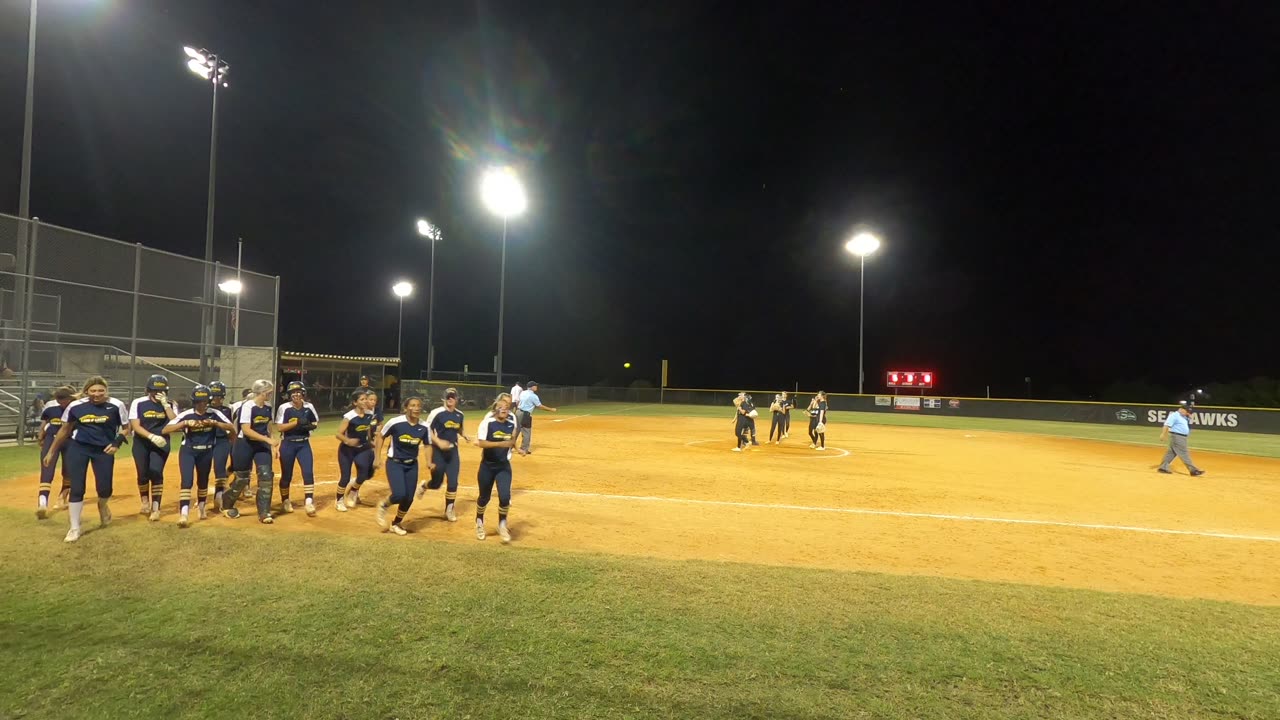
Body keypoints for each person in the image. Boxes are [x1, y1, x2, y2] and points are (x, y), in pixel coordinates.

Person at [43, 376, 130, 543]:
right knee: (77, 487)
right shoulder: (75, 406)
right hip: (79, 448)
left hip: (104, 450)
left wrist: (116, 443)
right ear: (86, 391)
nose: (97, 394)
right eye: (93, 391)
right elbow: (64, 430)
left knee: (105, 488)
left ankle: (103, 505)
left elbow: (126, 428)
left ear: (106, 391)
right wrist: (51, 451)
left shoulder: (116, 405)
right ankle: (74, 528)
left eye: (100, 391)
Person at [163, 385, 234, 527]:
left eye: (204, 402)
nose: (202, 405)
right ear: (194, 402)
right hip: (188, 450)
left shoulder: (213, 413)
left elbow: (231, 427)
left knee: (203, 481)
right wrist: (184, 423)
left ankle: (202, 507)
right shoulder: (187, 414)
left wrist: (215, 423)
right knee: (187, 481)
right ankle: (184, 514)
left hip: (206, 451)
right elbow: (166, 429)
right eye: (198, 402)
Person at [372, 396, 431, 535]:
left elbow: (428, 445)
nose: (416, 408)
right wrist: (377, 457)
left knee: (409, 498)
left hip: (412, 464)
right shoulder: (395, 422)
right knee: (399, 494)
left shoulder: (424, 426)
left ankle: (396, 523)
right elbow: (381, 436)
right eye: (413, 405)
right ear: (406, 408)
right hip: (395, 463)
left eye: (418, 405)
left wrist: (429, 461)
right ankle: (384, 505)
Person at [224, 379, 278, 522]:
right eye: (269, 392)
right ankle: (226, 504)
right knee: (242, 478)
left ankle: (264, 512)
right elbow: (246, 430)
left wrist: (272, 444)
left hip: (261, 446)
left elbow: (268, 427)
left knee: (266, 476)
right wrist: (267, 440)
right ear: (262, 393)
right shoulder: (248, 406)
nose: (270, 395)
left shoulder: (267, 406)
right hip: (245, 444)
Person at [475, 397, 525, 543]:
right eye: (501, 406)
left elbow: (512, 439)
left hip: (503, 466)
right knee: (484, 498)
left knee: (504, 498)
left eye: (506, 406)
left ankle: (502, 524)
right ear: (495, 409)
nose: (504, 408)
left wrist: (517, 448)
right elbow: (482, 443)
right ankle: (479, 522)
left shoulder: (511, 424)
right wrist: (502, 444)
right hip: (487, 466)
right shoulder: (487, 423)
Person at [416, 387, 471, 521]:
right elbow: (427, 430)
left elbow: (459, 429)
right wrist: (438, 441)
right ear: (443, 399)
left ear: (457, 399)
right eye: (448, 397)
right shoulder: (436, 413)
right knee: (437, 483)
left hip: (453, 452)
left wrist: (464, 435)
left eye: (453, 396)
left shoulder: (460, 415)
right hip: (438, 452)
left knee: (453, 482)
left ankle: (449, 509)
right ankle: (425, 485)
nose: (450, 399)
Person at [129, 374, 178, 521]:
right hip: (142, 442)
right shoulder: (138, 403)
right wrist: (151, 436)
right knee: (143, 473)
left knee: (156, 472)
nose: (157, 394)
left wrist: (165, 405)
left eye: (161, 391)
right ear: (147, 390)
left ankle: (156, 507)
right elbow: (135, 426)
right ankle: (145, 501)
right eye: (154, 391)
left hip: (162, 443)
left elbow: (175, 422)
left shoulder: (170, 403)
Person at [275, 381, 321, 516]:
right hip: (288, 443)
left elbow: (315, 422)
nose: (296, 394)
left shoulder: (308, 406)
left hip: (304, 443)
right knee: (286, 474)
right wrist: (296, 423)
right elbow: (280, 427)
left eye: (298, 392)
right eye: (293, 392)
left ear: (303, 393)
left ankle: (308, 501)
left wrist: (309, 426)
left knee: (307, 472)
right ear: (289, 395)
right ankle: (285, 500)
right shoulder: (284, 408)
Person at [35, 385, 76, 519]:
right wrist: (41, 436)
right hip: (51, 439)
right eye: (59, 401)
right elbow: (45, 422)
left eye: (65, 401)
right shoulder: (51, 408)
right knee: (47, 469)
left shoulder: (77, 408)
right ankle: (42, 503)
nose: (62, 404)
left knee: (68, 470)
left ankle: (62, 497)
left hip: (71, 441)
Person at [334, 389, 378, 512]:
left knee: (363, 474)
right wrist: (348, 440)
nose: (365, 401)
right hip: (347, 450)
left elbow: (368, 430)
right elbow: (338, 434)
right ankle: (339, 500)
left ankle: (353, 491)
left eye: (366, 399)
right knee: (345, 477)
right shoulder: (349, 416)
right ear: (355, 402)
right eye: (362, 399)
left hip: (362, 448)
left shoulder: (369, 413)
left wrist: (370, 441)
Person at [1157, 401, 1205, 476]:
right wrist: (1163, 434)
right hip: (1177, 437)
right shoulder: (1174, 415)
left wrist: (1188, 416)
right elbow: (1166, 425)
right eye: (1187, 411)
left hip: (1179, 437)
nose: (1187, 413)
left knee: (1171, 453)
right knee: (1184, 453)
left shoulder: (1183, 416)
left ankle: (1163, 467)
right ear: (1181, 409)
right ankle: (1193, 470)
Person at [208, 380, 233, 510]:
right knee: (203, 470)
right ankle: (201, 497)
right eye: (213, 396)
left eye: (218, 396)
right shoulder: (203, 409)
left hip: (222, 441)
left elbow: (231, 428)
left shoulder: (227, 410)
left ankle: (218, 495)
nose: (215, 399)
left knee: (219, 468)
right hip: (206, 442)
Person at [515, 380, 557, 454]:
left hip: (518, 412)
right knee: (526, 432)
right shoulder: (533, 396)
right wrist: (551, 409)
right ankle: (524, 449)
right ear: (532, 387)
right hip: (525, 415)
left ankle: (508, 447)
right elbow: (540, 406)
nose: (536, 387)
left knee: (515, 431)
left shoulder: (523, 392)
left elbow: (518, 401)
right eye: (535, 386)